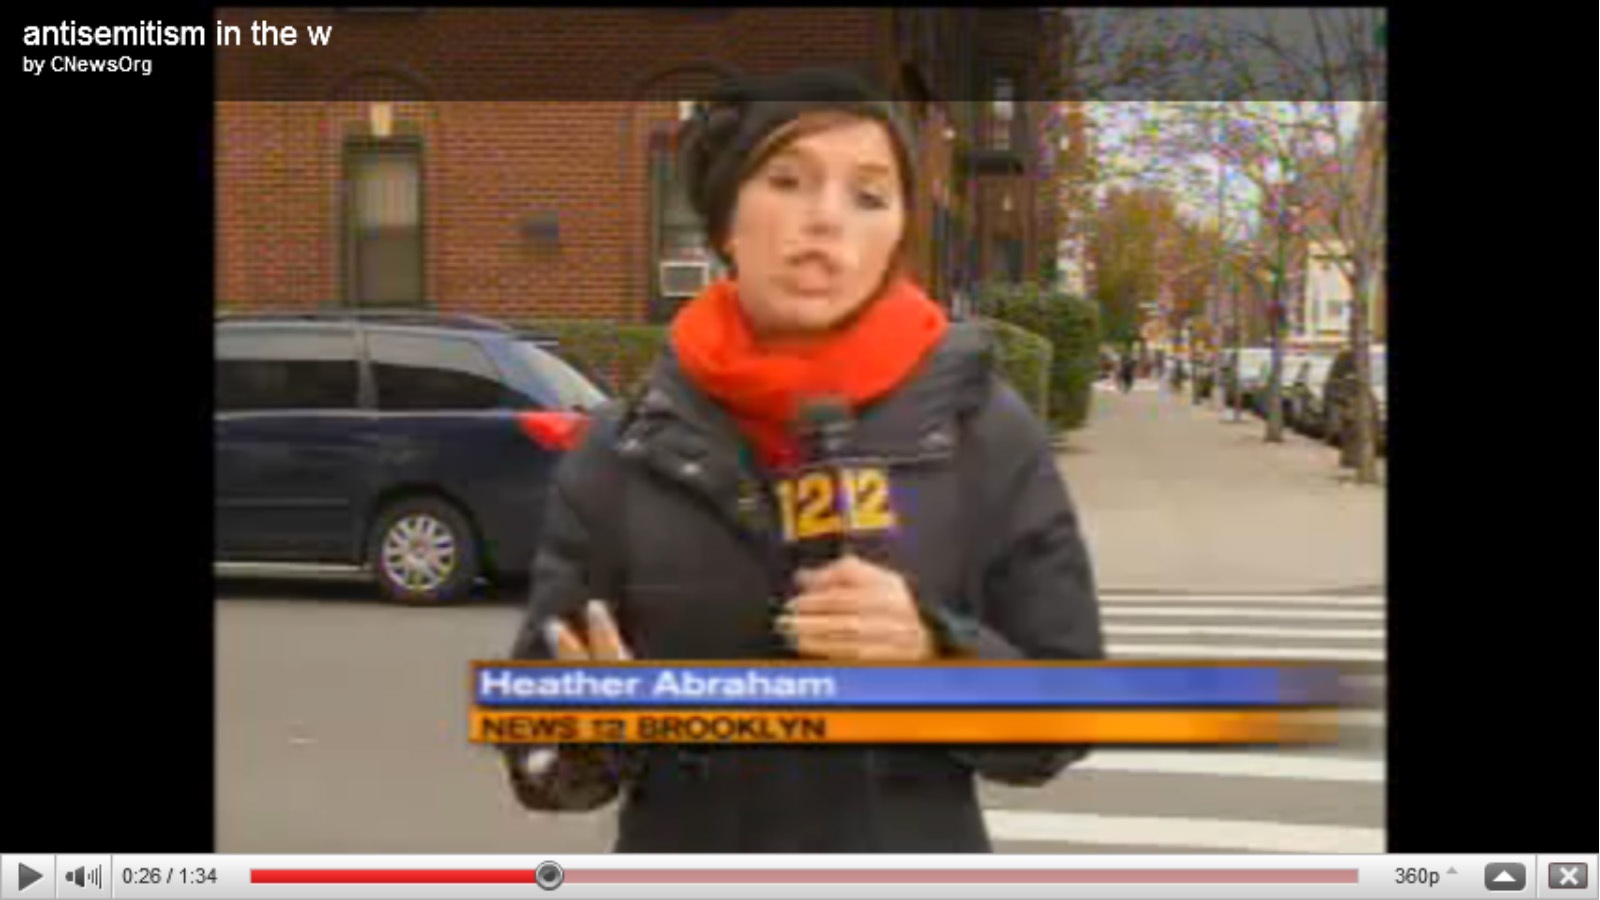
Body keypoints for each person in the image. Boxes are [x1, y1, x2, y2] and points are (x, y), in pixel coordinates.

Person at [499, 68, 1105, 852]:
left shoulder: (983, 431)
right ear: (726, 220)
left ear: (896, 238)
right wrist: (584, 734)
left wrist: (931, 656)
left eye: (869, 195)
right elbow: (540, 755)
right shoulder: (619, 453)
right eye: (788, 181)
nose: (826, 218)